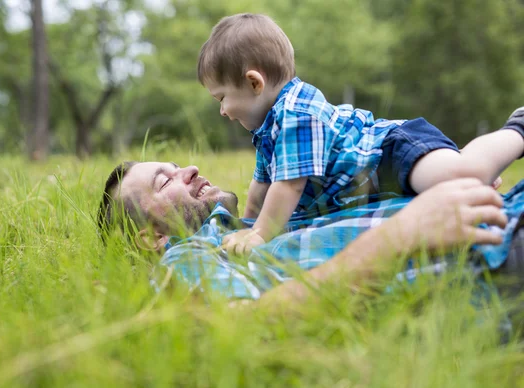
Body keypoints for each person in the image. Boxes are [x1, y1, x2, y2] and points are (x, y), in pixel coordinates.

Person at [196, 13, 524, 256]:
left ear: (255, 83)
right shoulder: (267, 130)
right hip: (377, 185)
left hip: (392, 153)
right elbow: (260, 188)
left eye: (221, 98)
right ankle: (462, 173)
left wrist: (261, 235)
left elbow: (289, 185)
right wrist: (247, 226)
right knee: (452, 192)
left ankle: (517, 129)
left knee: (463, 173)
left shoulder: (296, 114)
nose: (223, 111)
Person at [97, 161, 524, 307]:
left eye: (172, 165)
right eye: (163, 181)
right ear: (150, 237)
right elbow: (248, 321)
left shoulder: (258, 226)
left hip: (502, 212)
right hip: (489, 258)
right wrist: (404, 232)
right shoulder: (184, 259)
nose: (187, 169)